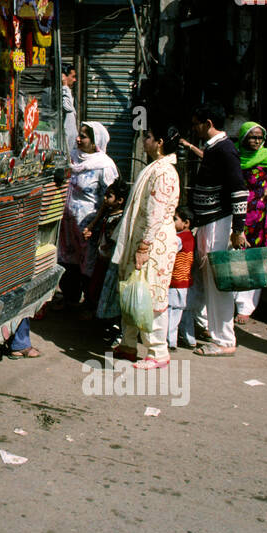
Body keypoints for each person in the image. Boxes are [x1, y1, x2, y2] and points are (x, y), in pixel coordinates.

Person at [109, 122, 182, 369]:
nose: (144, 141)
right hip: (143, 240)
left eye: (148, 137)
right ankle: (129, 344)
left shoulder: (164, 172)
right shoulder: (156, 167)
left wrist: (144, 247)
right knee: (132, 289)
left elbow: (155, 213)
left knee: (151, 295)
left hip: (154, 244)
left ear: (160, 142)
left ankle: (158, 351)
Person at [187, 103, 249, 357]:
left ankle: (224, 340)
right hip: (207, 223)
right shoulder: (214, 149)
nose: (194, 128)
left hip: (219, 225)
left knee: (217, 282)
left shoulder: (225, 150)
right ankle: (212, 330)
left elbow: (239, 189)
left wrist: (238, 228)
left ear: (208, 123)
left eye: (196, 124)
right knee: (207, 281)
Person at [233, 120, 267, 326]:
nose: (256, 141)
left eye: (259, 137)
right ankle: (231, 300)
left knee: (254, 259)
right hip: (235, 213)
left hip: (259, 216)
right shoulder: (233, 154)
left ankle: (246, 306)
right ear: (243, 137)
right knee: (234, 256)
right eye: (252, 137)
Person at [57, 121, 119, 305]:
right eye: (79, 134)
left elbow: (110, 200)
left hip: (89, 227)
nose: (77, 139)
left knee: (88, 265)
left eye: (83, 136)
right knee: (68, 262)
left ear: (95, 142)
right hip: (68, 225)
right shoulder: (72, 158)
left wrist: (94, 225)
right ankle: (70, 299)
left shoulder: (104, 166)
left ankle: (90, 303)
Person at [84, 178, 129, 322]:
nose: (104, 199)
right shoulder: (108, 214)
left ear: (120, 200)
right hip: (101, 257)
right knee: (96, 287)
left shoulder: (118, 219)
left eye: (109, 196)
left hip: (108, 260)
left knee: (103, 288)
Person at [168, 206, 196, 350]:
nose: (171, 222)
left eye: (174, 219)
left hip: (176, 282)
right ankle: (190, 339)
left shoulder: (178, 238)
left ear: (186, 223)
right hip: (186, 282)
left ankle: (170, 341)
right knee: (185, 313)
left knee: (172, 313)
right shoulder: (190, 237)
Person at [61, 62, 78, 160]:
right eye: (73, 76)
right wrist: (65, 86)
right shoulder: (63, 91)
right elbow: (67, 107)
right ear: (64, 76)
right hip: (65, 148)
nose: (75, 80)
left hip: (71, 147)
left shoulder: (67, 92)